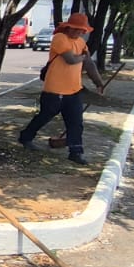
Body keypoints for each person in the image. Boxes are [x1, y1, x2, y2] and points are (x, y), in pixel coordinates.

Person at [19, 12, 106, 165]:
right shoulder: (60, 38)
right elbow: (71, 59)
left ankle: (76, 152)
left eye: (81, 30)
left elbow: (89, 64)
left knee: (76, 122)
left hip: (74, 90)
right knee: (44, 116)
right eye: (76, 29)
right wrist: (83, 57)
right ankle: (26, 137)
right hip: (54, 89)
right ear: (68, 27)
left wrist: (99, 83)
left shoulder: (81, 43)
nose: (79, 32)